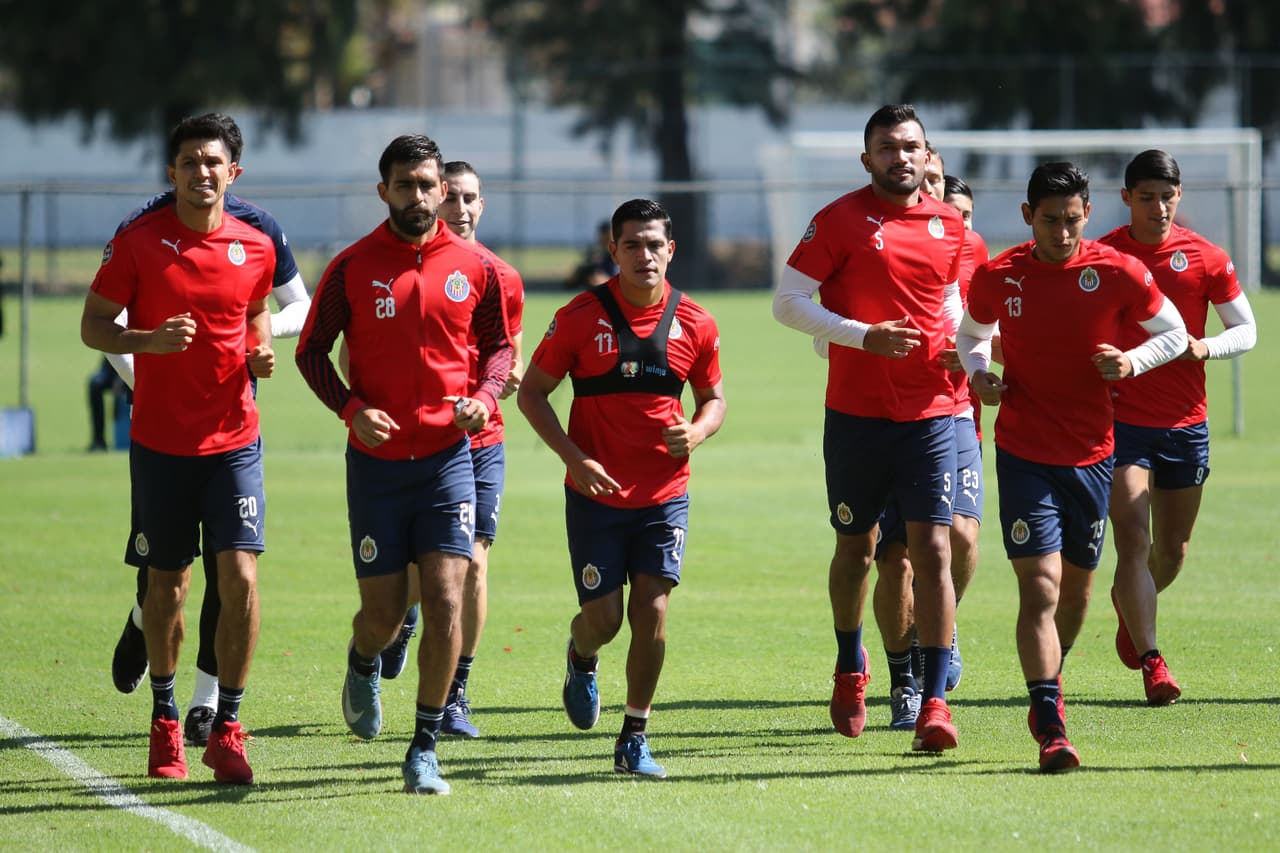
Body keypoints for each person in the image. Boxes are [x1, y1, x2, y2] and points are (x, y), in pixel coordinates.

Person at [295, 134, 512, 796]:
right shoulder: (352, 266)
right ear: (382, 190)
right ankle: (363, 661)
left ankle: (424, 746)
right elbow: (311, 352)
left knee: (447, 595)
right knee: (385, 614)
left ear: (443, 190)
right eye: (404, 184)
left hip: (449, 461)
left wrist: (481, 396)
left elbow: (500, 348)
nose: (417, 196)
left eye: (427, 184)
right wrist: (350, 407)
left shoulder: (477, 267)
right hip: (377, 468)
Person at [957, 161, 1187, 773]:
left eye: (1073, 219)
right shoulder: (998, 275)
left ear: (1088, 214)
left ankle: (1046, 687)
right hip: (1025, 452)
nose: (1062, 232)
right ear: (1028, 217)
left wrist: (1132, 362)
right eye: (1050, 220)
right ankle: (1051, 720)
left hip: (1094, 454)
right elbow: (972, 333)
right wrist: (979, 373)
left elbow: (1175, 332)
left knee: (1078, 595)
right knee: (1041, 587)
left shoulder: (1117, 271)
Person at [80, 112, 278, 784]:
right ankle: (166, 722)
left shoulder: (256, 245)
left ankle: (227, 725)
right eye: (189, 161)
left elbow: (255, 308)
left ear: (234, 173)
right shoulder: (137, 242)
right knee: (168, 583)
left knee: (242, 579)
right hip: (161, 444)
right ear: (172, 172)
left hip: (235, 442)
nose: (202, 171)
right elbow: (93, 326)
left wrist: (260, 345)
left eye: (213, 161)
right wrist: (147, 341)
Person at [772, 104, 965, 752]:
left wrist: (969, 352)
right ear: (868, 159)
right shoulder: (839, 220)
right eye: (887, 147)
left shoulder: (951, 226)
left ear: (926, 154)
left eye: (910, 146)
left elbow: (962, 308)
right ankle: (851, 661)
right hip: (856, 419)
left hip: (932, 416)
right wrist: (862, 337)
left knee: (931, 552)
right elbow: (788, 302)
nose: (900, 156)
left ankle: (933, 699)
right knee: (856, 550)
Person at [518, 198, 724, 779]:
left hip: (664, 493)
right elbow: (532, 392)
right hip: (595, 496)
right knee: (604, 620)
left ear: (670, 249)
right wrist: (574, 458)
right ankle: (581, 656)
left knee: (652, 610)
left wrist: (699, 430)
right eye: (631, 245)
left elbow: (714, 400)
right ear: (613, 251)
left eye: (654, 244)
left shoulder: (698, 322)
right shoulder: (581, 316)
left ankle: (634, 734)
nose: (644, 255)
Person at [1098, 149, 1257, 705]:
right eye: (1147, 198)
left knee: (1174, 550)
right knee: (1134, 539)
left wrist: (1205, 345)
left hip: (1185, 423)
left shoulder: (1206, 257)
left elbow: (1247, 330)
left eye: (1167, 197)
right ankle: (1152, 661)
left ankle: (1130, 606)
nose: (1159, 208)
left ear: (1179, 196)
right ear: (1126, 199)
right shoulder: (1106, 256)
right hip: (1121, 422)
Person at [374, 159, 526, 740]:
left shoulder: (500, 276)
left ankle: (456, 692)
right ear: (433, 200)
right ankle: (403, 620)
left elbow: (506, 353)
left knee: (474, 569)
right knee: (419, 577)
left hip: (480, 441)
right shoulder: (401, 270)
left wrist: (502, 383)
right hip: (419, 440)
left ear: (481, 206)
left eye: (471, 199)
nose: (461, 208)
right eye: (452, 196)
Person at [866, 165, 991, 731]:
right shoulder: (886, 244)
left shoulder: (973, 249)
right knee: (894, 559)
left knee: (958, 539)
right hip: (882, 418)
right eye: (929, 178)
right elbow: (828, 338)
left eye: (939, 179)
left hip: (956, 414)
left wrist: (971, 353)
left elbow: (1005, 326)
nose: (933, 188)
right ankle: (904, 681)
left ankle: (939, 629)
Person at [87, 355, 130, 451]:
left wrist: (121, 378)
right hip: (116, 362)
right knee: (95, 384)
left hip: (135, 365)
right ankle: (98, 441)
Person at [565, 220, 619, 289]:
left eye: (608, 236)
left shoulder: (618, 253)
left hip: (611, 281)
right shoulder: (595, 252)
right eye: (603, 235)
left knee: (597, 279)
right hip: (592, 279)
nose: (604, 239)